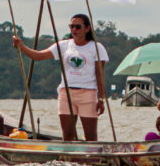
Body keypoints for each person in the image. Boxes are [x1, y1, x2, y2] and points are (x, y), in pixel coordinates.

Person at [12, 13, 107, 141]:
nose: (74, 30)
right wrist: (22, 47)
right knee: (67, 135)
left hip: (87, 93)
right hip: (66, 93)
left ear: (87, 29)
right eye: (71, 26)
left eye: (78, 27)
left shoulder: (96, 48)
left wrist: (101, 98)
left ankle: (92, 159)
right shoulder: (63, 45)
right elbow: (38, 56)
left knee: (90, 136)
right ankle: (68, 158)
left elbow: (100, 74)